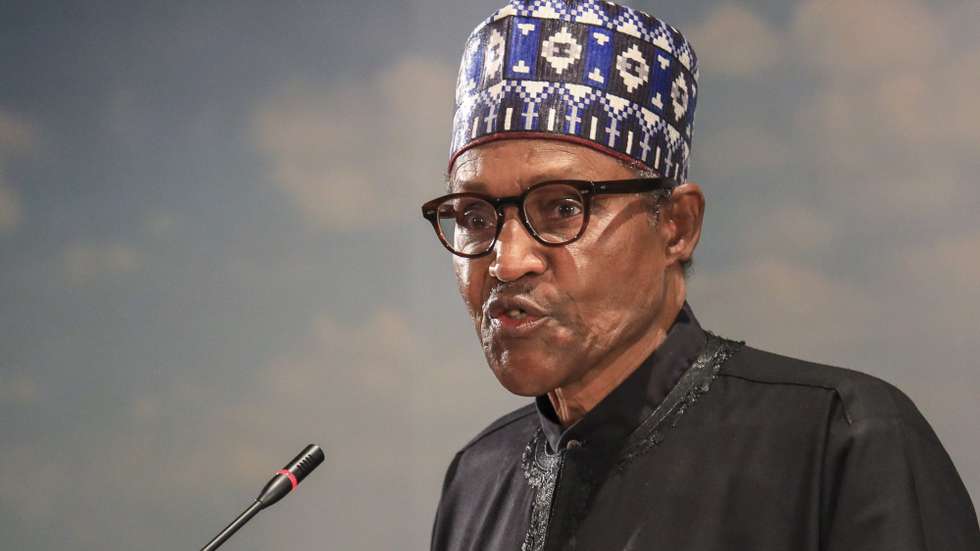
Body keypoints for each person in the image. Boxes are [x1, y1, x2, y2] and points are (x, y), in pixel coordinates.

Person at [420, 2, 980, 550]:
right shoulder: (478, 479)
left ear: (677, 227)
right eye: (474, 217)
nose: (507, 260)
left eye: (563, 207)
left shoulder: (839, 442)